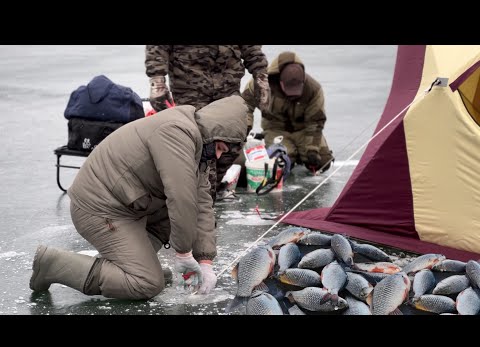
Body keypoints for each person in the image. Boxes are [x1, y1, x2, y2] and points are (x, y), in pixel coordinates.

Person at [29, 95, 248, 300]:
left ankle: (135, 264)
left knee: (179, 218)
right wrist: (183, 253)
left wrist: (205, 261)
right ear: (214, 132)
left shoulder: (197, 144)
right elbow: (181, 198)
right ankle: (51, 264)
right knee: (147, 283)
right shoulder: (176, 133)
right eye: (219, 148)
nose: (218, 156)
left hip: (129, 203)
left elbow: (201, 204)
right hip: (99, 207)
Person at [145, 45, 269, 201]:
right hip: (190, 87)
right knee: (196, 144)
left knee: (233, 141)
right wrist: (157, 80)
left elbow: (251, 48)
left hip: (227, 86)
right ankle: (194, 195)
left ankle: (209, 191)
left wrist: (261, 75)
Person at [241, 51, 334, 175]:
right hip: (276, 130)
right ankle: (280, 150)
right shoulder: (261, 84)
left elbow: (315, 122)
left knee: (322, 163)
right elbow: (245, 105)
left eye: (297, 88)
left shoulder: (313, 89)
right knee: (281, 163)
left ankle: (302, 155)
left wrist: (312, 149)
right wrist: (245, 128)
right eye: (290, 88)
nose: (293, 93)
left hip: (303, 131)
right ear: (280, 81)